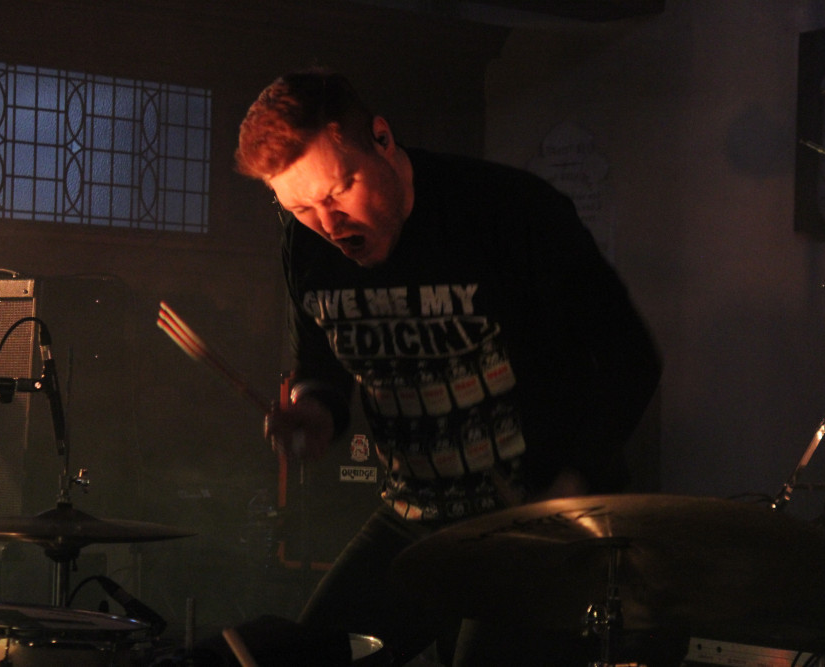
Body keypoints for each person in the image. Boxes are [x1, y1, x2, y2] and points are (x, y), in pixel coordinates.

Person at [230, 68, 661, 666]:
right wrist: (317, 408)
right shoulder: (305, 246)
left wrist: (576, 474)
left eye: (338, 191)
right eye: (301, 207)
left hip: (536, 521)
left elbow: (629, 357)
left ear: (381, 138)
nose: (328, 226)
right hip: (413, 518)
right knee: (308, 661)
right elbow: (320, 355)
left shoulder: (512, 211)